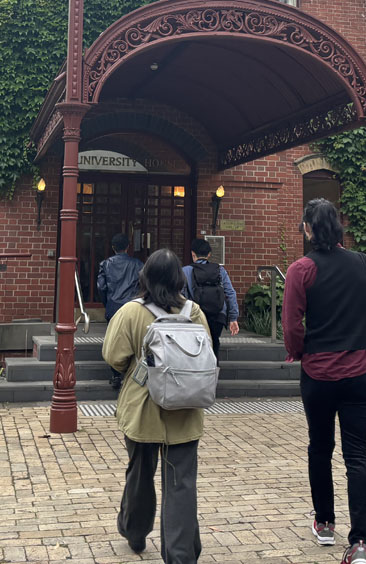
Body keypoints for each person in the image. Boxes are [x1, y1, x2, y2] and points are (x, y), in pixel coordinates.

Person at [282, 198, 366, 564]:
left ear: (307, 229)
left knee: (320, 448)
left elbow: (291, 326)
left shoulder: (301, 269)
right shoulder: (363, 264)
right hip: (360, 373)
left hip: (318, 374)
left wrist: (300, 352)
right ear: (338, 227)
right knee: (357, 456)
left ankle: (324, 524)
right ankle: (360, 543)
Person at [102, 248, 211, 563]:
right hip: (186, 407)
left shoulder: (131, 312)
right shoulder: (194, 312)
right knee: (181, 483)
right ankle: (182, 553)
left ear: (145, 276)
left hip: (143, 407)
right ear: (179, 278)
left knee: (140, 473)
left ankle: (135, 531)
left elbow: (113, 356)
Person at [97, 233, 143, 389]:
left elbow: (101, 287)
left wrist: (107, 303)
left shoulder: (105, 264)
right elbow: (143, 285)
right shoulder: (138, 264)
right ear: (128, 247)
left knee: (115, 340)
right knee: (134, 339)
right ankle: (132, 373)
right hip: (133, 306)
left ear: (113, 247)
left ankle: (116, 375)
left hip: (114, 306)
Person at [182, 237, 239, 361]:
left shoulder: (185, 271)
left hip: (195, 315)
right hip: (218, 315)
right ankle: (214, 368)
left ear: (193, 254)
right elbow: (230, 293)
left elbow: (180, 295)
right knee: (214, 342)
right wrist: (233, 318)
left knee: (195, 346)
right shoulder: (220, 270)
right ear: (209, 254)